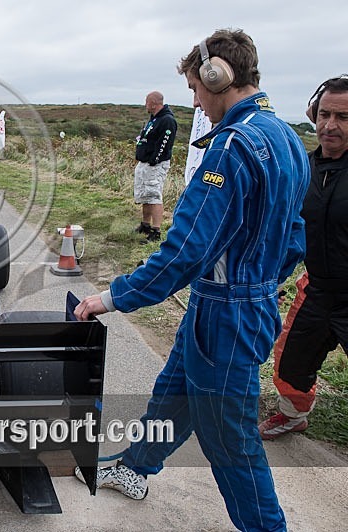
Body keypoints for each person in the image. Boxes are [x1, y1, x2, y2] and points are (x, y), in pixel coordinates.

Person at [73, 29, 309, 532]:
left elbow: (184, 250)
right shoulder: (287, 136)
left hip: (228, 312)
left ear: (217, 75)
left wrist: (113, 297)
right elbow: (295, 235)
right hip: (242, 302)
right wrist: (261, 282)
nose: (196, 101)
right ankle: (136, 467)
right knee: (175, 391)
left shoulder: (231, 148)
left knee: (230, 441)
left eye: (197, 89)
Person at [258, 75, 348, 440]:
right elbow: (283, 229)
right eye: (324, 114)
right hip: (318, 288)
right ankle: (294, 414)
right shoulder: (303, 168)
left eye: (342, 117)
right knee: (289, 365)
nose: (330, 125)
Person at [133, 91, 177, 242]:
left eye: (147, 102)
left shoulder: (167, 120)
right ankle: (145, 224)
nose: (145, 105)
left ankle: (156, 230)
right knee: (145, 195)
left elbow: (164, 144)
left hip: (156, 165)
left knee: (154, 195)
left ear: (153, 103)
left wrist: (154, 160)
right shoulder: (154, 119)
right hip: (145, 163)